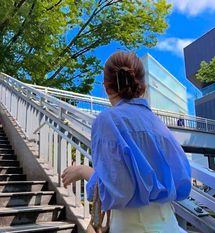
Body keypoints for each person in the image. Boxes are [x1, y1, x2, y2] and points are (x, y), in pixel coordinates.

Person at [62, 51, 191, 233]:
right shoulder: (158, 123)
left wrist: (83, 171)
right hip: (170, 223)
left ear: (107, 88)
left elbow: (116, 189)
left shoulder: (107, 121)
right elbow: (182, 179)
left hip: (132, 226)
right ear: (143, 87)